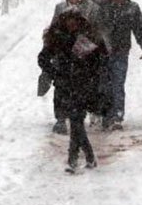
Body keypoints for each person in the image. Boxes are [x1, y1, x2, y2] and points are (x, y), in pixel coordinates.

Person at [38, 10, 109, 173]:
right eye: (68, 21)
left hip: (84, 85)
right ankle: (88, 157)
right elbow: (42, 58)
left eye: (74, 21)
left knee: (76, 120)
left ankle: (73, 159)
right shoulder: (57, 37)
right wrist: (55, 73)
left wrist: (92, 72)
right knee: (76, 121)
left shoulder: (89, 36)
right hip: (65, 85)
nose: (71, 24)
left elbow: (102, 59)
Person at [100, 0, 142, 130]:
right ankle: (105, 115)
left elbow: (139, 29)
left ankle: (117, 115)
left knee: (118, 83)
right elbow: (94, 28)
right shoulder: (103, 7)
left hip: (121, 52)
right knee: (104, 84)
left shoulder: (132, 8)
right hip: (103, 52)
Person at [47, 0, 96, 135]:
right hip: (63, 53)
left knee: (81, 87)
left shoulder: (91, 9)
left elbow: (95, 30)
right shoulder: (60, 8)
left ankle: (78, 115)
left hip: (83, 54)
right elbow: (53, 27)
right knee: (60, 86)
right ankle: (61, 118)